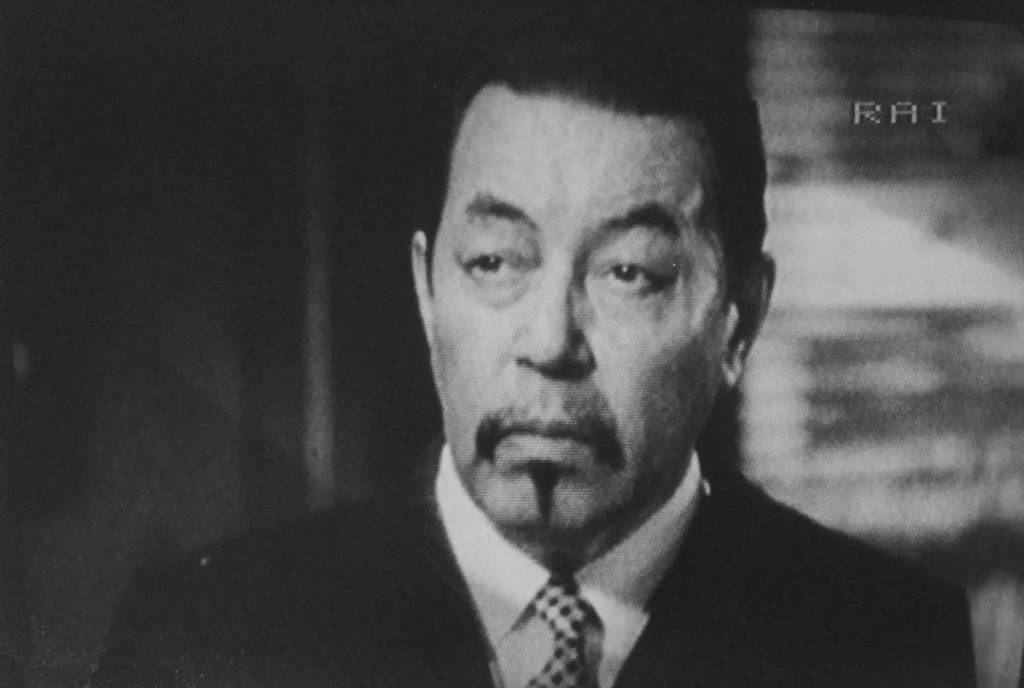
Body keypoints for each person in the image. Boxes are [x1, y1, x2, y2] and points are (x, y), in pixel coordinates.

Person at [91, 9, 976, 688]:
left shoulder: (886, 644)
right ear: (427, 292)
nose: (551, 342)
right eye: (495, 262)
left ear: (738, 322)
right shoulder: (209, 636)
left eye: (628, 272)